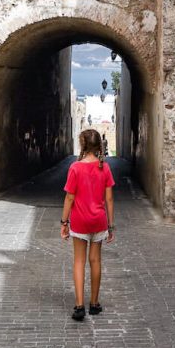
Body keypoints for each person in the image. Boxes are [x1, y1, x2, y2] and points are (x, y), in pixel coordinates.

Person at [60, 128, 115, 321]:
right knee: (95, 261)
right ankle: (94, 303)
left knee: (79, 261)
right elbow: (109, 199)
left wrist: (64, 222)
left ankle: (79, 306)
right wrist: (111, 225)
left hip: (80, 220)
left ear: (82, 145)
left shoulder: (75, 168)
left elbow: (69, 197)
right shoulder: (104, 168)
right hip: (98, 220)